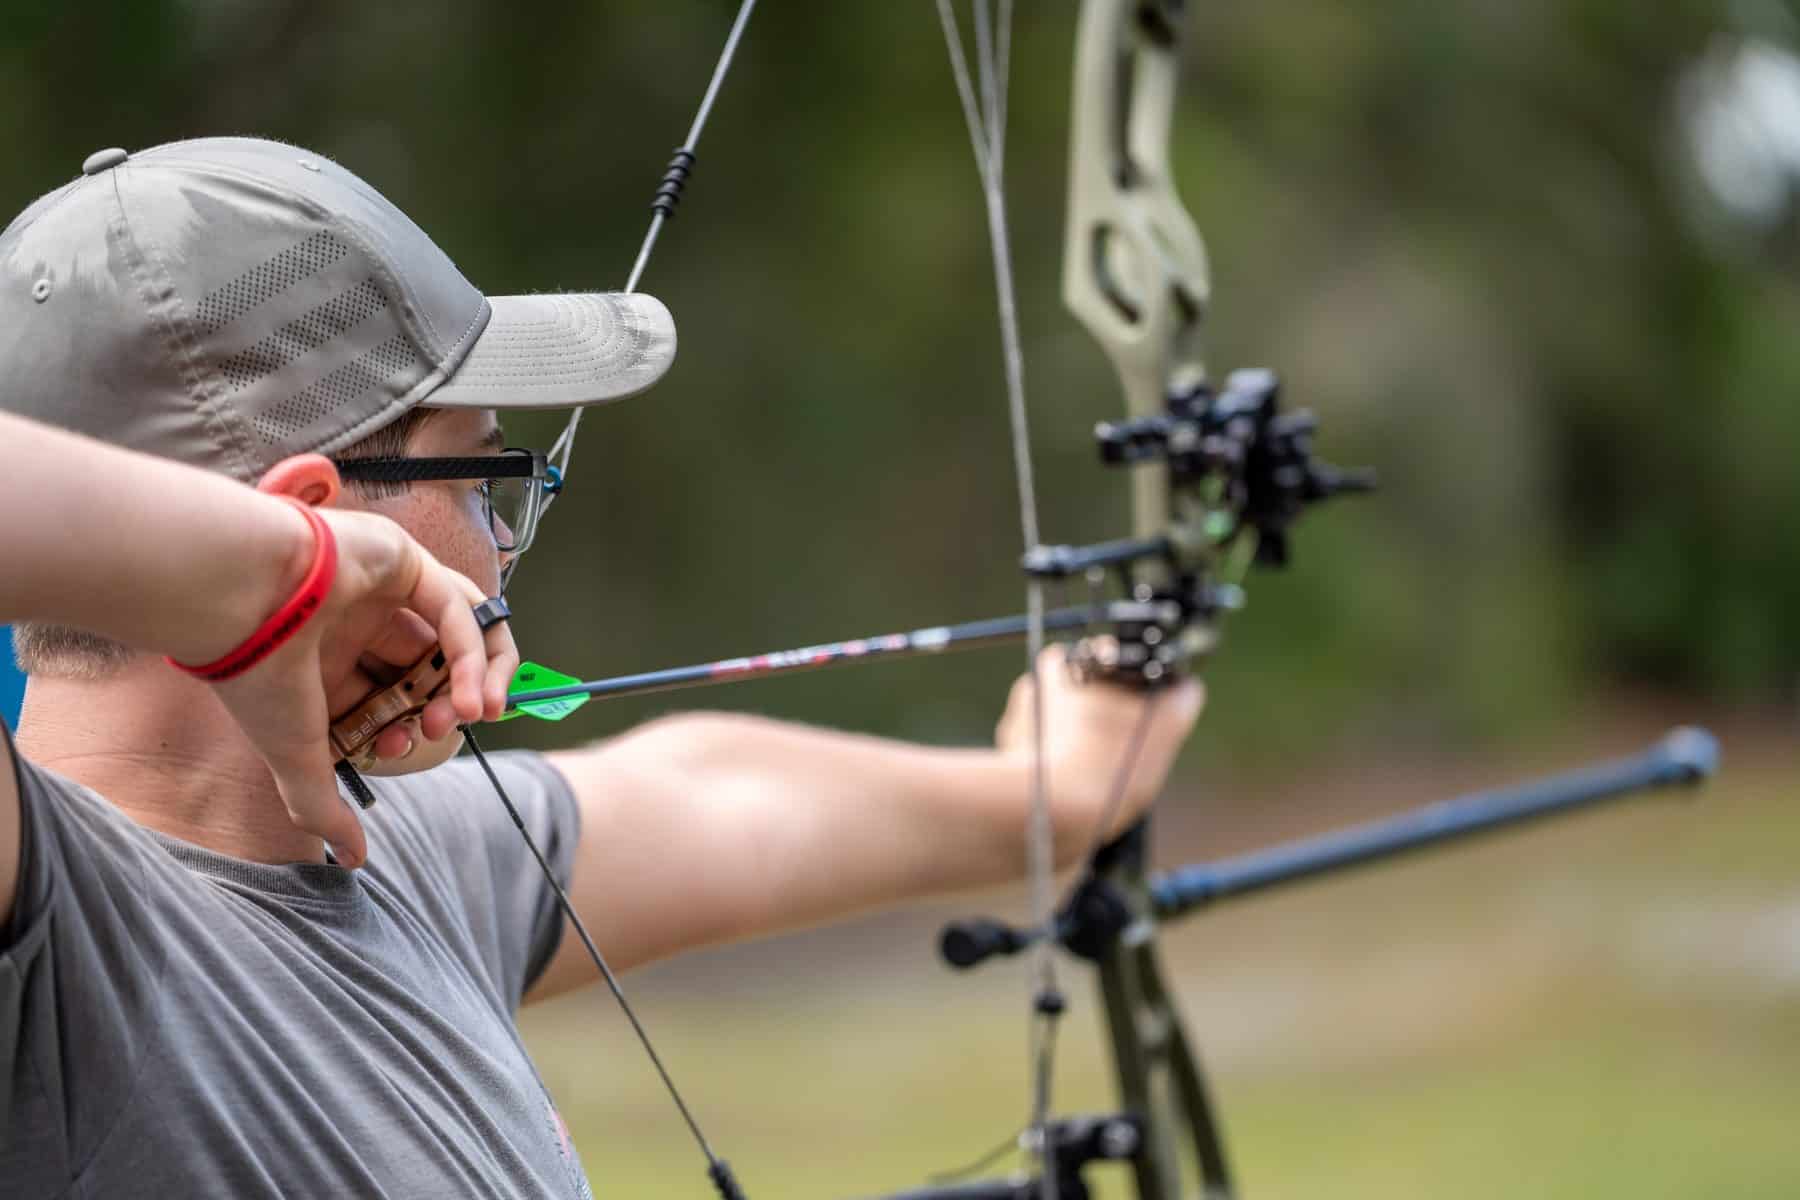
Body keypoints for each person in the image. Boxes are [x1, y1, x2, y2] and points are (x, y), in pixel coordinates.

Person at [0, 138, 1201, 1197]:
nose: (503, 547)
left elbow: (699, 795)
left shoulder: (384, 858)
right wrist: (269, 575)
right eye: (482, 476)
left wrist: (1058, 787)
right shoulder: (57, 936)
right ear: (315, 516)